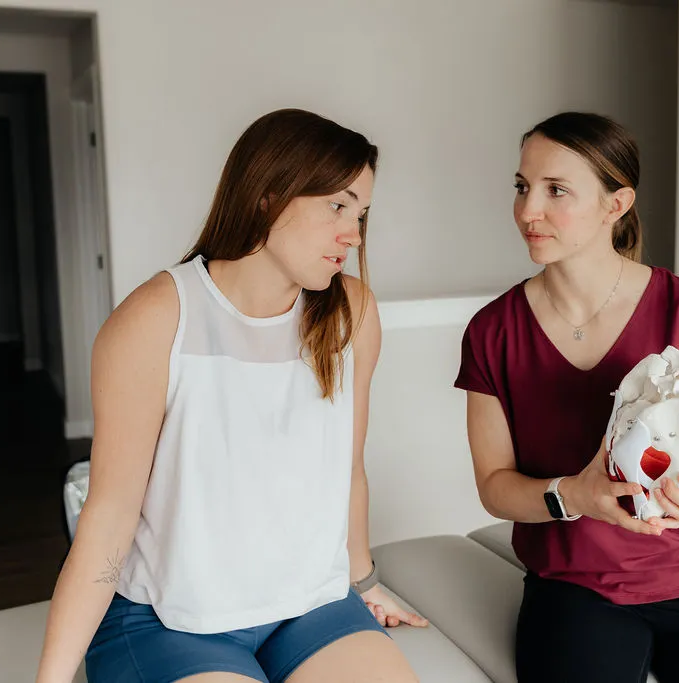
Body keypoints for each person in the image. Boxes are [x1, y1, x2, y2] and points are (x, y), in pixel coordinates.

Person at [36, 108, 427, 683]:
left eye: (361, 214)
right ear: (268, 197)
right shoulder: (157, 317)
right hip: (167, 620)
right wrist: (52, 677)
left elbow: (348, 468)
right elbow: (110, 515)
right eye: (337, 207)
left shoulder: (352, 311)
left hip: (312, 604)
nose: (354, 234)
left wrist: (364, 581)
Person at [453, 111, 679, 683]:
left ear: (616, 204)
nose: (527, 210)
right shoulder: (493, 331)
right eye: (522, 186)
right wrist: (574, 496)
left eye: (555, 190)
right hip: (574, 584)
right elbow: (495, 487)